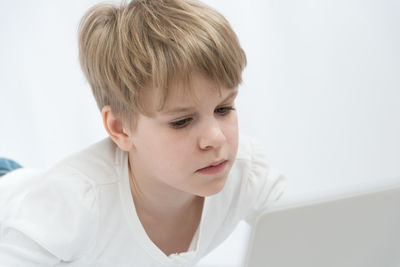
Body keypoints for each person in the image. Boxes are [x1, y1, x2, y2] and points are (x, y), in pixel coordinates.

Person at [0, 0, 285, 266]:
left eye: (224, 109)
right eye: (182, 121)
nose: (216, 138)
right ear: (120, 128)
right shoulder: (76, 204)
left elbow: (311, 240)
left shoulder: (246, 172)